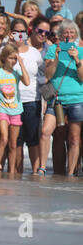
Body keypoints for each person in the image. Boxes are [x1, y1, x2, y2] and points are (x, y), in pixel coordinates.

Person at [39, 19, 83, 176]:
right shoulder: (52, 50)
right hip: (56, 99)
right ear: (60, 35)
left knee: (74, 138)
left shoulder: (81, 50)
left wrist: (77, 59)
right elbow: (48, 75)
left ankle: (70, 173)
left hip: (77, 99)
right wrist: (57, 57)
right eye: (65, 32)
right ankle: (42, 168)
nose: (68, 35)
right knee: (47, 132)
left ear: (76, 35)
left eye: (72, 32)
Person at [9, 18, 45, 174]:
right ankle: (17, 173)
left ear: (27, 33)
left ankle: (36, 172)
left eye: (22, 32)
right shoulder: (7, 51)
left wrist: (44, 101)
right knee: (16, 142)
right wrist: (10, 47)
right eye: (16, 31)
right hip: (12, 102)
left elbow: (43, 76)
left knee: (33, 140)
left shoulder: (34, 53)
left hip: (32, 100)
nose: (19, 35)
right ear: (11, 33)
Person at [0, 44, 30, 174]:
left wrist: (22, 64)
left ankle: (11, 170)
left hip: (16, 110)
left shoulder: (16, 73)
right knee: (4, 138)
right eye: (11, 58)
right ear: (4, 57)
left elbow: (27, 82)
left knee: (13, 144)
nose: (13, 61)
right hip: (2, 110)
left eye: (15, 59)